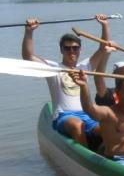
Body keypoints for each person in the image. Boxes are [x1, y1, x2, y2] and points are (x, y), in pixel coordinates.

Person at [22, 15, 112, 146]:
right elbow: (28, 56)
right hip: (64, 116)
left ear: (80, 50)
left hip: (87, 113)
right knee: (77, 125)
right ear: (61, 50)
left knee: (109, 128)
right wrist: (29, 32)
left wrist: (104, 25)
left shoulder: (85, 66)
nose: (72, 51)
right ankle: (84, 160)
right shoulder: (53, 68)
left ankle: (108, 157)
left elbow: (103, 48)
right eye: (67, 48)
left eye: (75, 48)